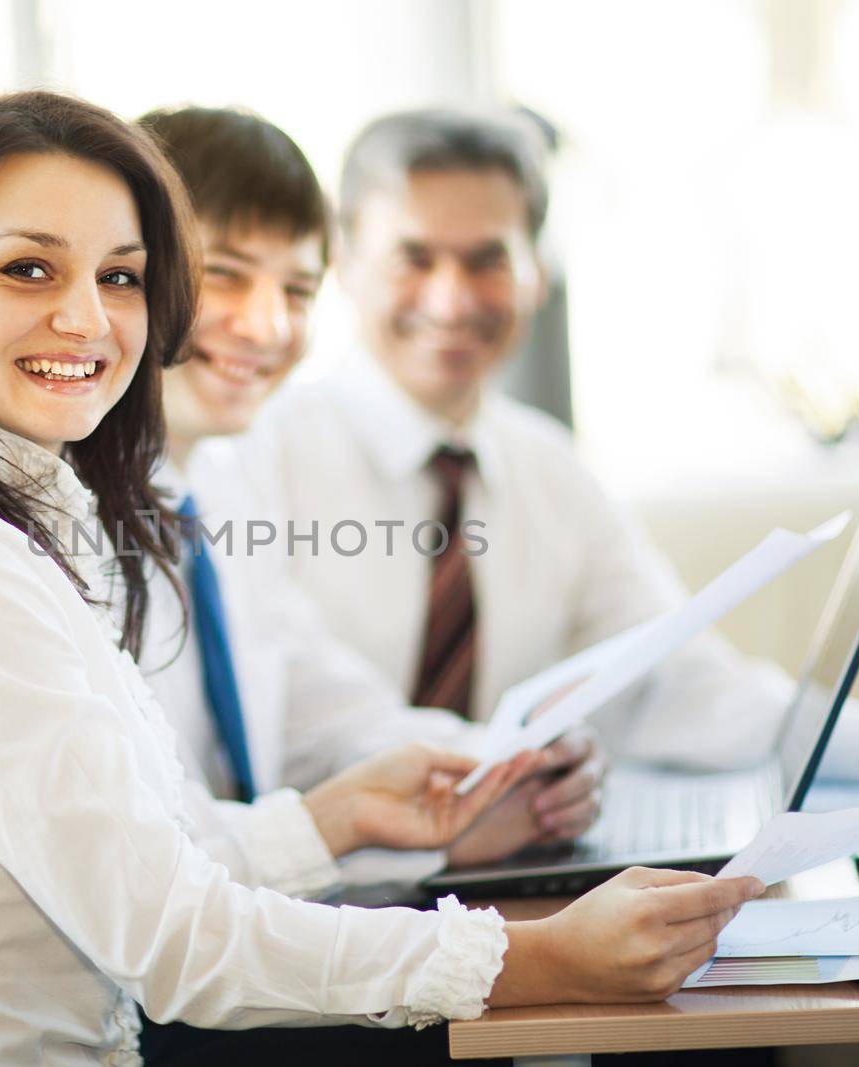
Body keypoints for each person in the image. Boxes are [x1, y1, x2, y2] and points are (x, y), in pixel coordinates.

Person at [0, 90, 764, 1067]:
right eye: (28, 269)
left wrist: (342, 815)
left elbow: (157, 847)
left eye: (120, 277)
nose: (87, 317)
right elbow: (174, 938)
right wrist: (539, 955)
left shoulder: (8, 525)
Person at [248, 107, 859, 797]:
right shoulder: (256, 455)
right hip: (324, 893)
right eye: (413, 258)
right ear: (342, 263)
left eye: (487, 259)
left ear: (535, 273)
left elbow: (673, 678)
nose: (450, 300)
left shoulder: (550, 469)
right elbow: (304, 710)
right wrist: (499, 770)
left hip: (509, 872)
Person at [132, 106, 602, 898]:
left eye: (297, 288)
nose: (268, 324)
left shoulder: (216, 481)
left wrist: (500, 768)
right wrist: (354, 826)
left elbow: (318, 704)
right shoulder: (68, 521)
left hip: (247, 932)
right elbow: (153, 873)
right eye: (226, 275)